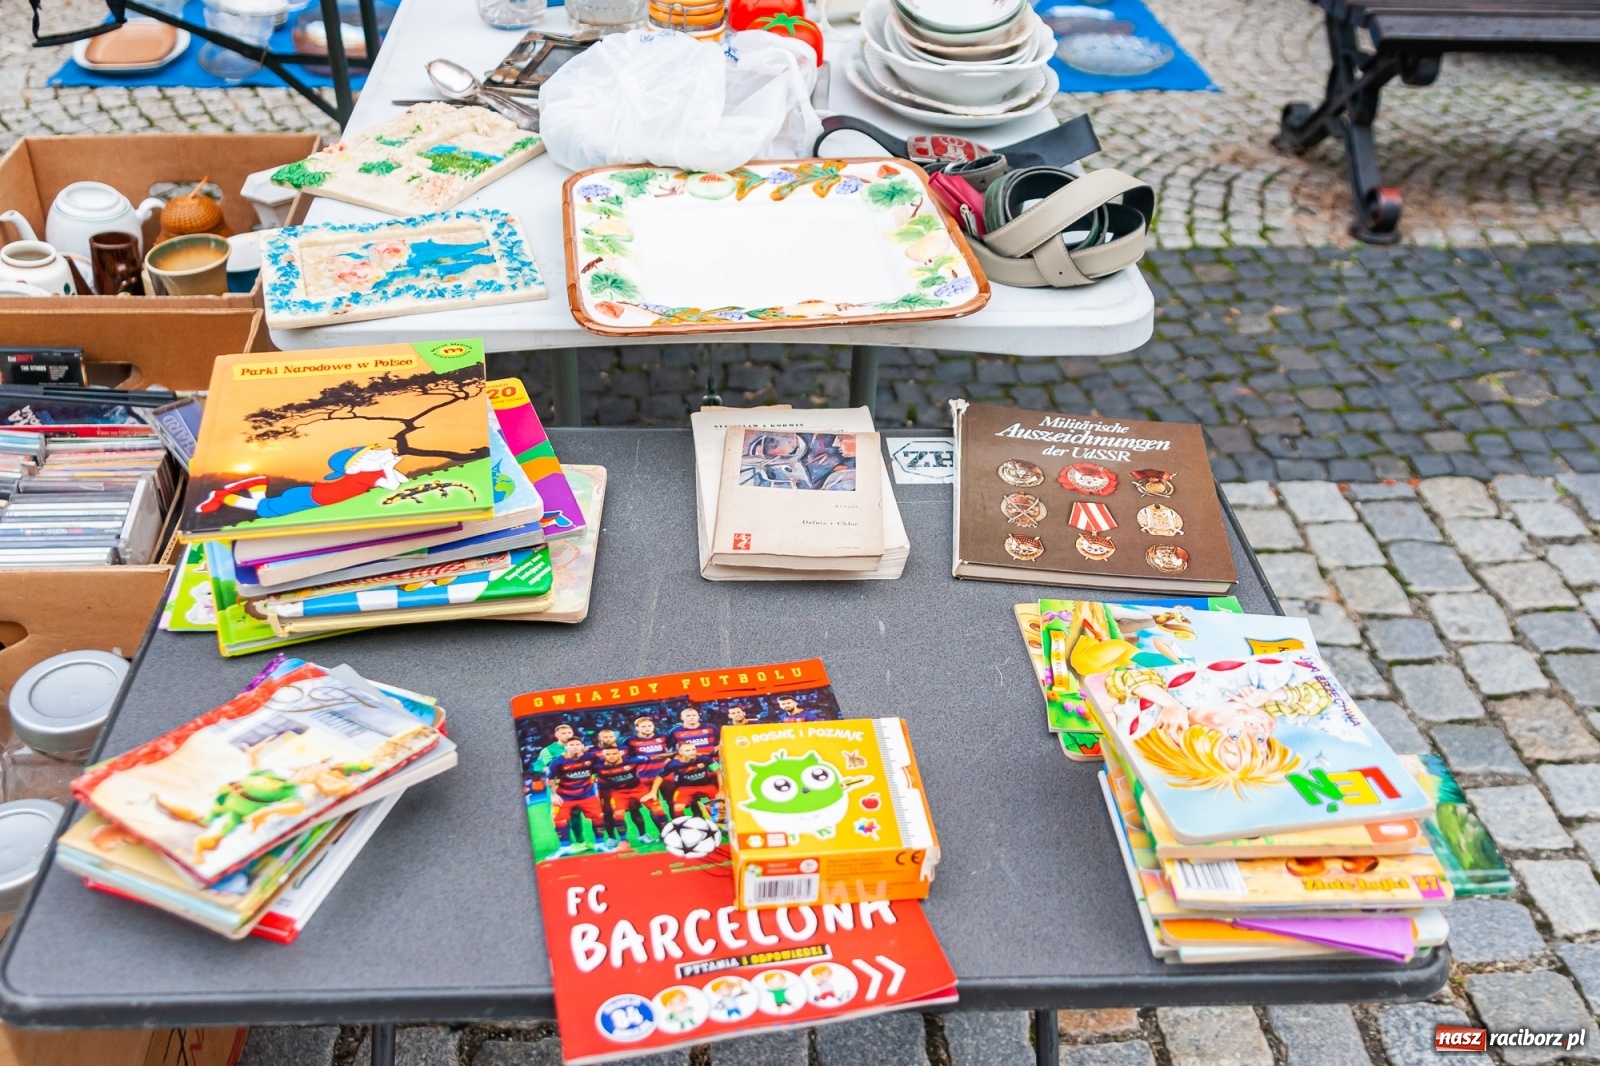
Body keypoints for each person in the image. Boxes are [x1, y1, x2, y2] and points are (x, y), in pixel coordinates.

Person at [197, 444, 404, 517]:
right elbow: (393, 485)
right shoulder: (367, 475)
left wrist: (389, 466)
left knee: (267, 507)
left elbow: (400, 482)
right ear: (354, 466)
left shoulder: (372, 474)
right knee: (264, 509)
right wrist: (389, 466)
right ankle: (223, 497)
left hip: (315, 493)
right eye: (371, 454)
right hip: (312, 497)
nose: (377, 454)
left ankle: (258, 484)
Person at [545, 737, 604, 854]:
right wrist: (554, 795)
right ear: (566, 747)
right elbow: (550, 779)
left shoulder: (591, 758)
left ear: (583, 746)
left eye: (578, 744)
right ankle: (565, 848)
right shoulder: (558, 762)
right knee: (559, 819)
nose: (575, 746)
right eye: (571, 745)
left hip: (587, 795)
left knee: (598, 816)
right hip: (565, 796)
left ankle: (600, 844)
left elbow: (600, 770)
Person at [595, 746, 664, 846]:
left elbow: (654, 757)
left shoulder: (631, 760)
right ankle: (624, 841)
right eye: (608, 754)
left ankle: (666, 835)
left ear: (620, 754)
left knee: (658, 809)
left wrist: (677, 753)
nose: (611, 756)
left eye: (614, 754)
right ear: (603, 756)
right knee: (618, 814)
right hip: (618, 792)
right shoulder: (597, 767)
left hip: (639, 789)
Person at [652, 740, 719, 820]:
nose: (691, 752)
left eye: (693, 749)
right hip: (684, 788)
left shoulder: (705, 759)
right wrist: (653, 791)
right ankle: (682, 826)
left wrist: (722, 790)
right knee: (677, 808)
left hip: (706, 785)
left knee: (720, 804)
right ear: (680, 752)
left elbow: (719, 771)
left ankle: (722, 825)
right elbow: (660, 776)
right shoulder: (673, 764)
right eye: (687, 750)